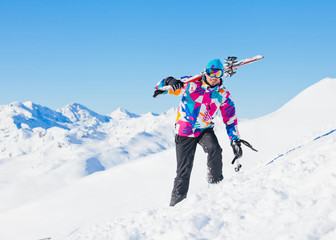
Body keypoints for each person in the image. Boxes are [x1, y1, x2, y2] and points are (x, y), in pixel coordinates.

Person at [155, 59, 244, 207]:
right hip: (185, 131)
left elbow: (230, 119)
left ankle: (215, 186)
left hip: (204, 129)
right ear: (205, 71)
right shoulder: (190, 84)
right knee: (184, 171)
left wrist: (235, 139)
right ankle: (176, 207)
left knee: (215, 149)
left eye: (218, 73)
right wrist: (170, 81)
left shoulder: (223, 94)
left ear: (222, 75)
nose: (214, 77)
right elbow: (160, 85)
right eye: (211, 73)